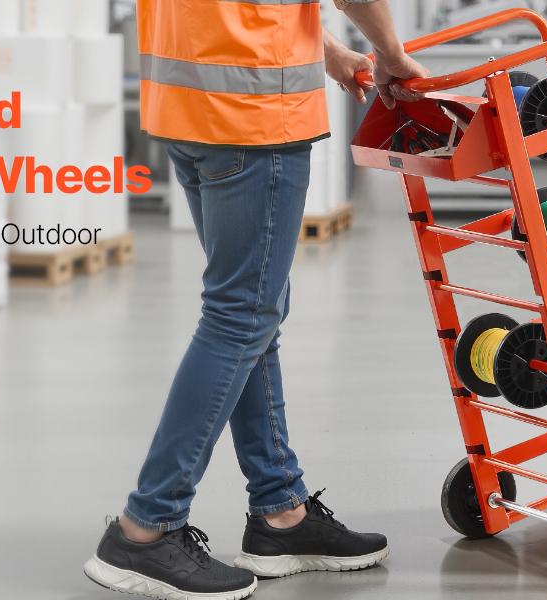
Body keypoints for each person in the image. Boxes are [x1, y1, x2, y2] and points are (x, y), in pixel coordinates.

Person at [83, 1, 427, 598]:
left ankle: (281, 512)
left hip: (189, 112)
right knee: (240, 318)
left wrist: (331, 53)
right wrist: (392, 55)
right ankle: (146, 528)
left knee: (253, 315)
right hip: (253, 123)